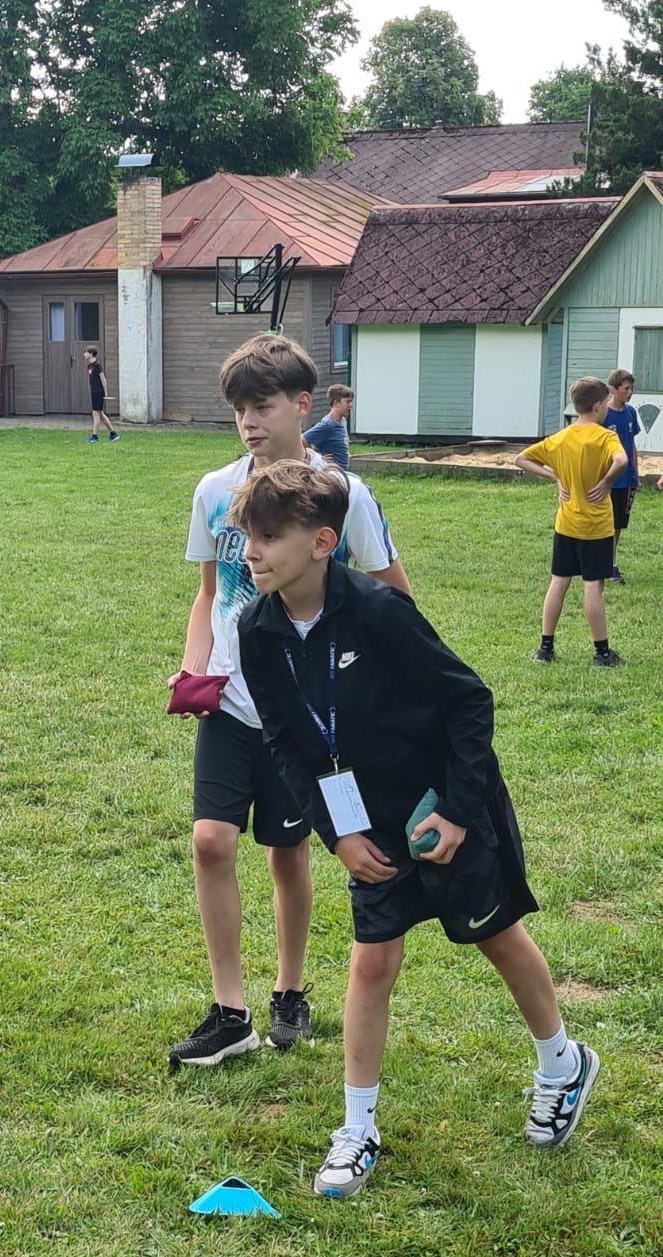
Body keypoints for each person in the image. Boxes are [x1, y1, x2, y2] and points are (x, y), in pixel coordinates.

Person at [234, 459, 599, 1197]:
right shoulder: (256, 628)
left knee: (495, 936)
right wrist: (337, 834)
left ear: (323, 543)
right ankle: (357, 1128)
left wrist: (457, 811)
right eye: (248, 537)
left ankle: (562, 1064)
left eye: (269, 537)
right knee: (371, 961)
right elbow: (285, 741)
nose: (252, 552)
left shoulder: (378, 610)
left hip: (444, 803)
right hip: (364, 820)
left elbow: (469, 702)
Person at [167, 334, 410, 1071]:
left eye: (263, 406)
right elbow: (209, 594)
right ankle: (229, 1011)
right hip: (230, 705)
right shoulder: (215, 491)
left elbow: (394, 596)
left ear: (304, 405)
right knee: (211, 840)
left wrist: (375, 689)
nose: (248, 421)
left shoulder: (344, 494)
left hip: (304, 713)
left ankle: (289, 992)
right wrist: (194, 668)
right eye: (239, 408)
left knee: (286, 851)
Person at [514, 377, 626, 668]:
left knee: (559, 581)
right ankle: (602, 653)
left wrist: (554, 476)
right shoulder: (605, 437)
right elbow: (621, 461)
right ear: (598, 406)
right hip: (596, 526)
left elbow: (521, 459)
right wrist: (607, 481)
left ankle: (545, 648)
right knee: (593, 586)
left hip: (566, 523)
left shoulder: (560, 438)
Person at [603, 368, 640, 585]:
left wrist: (636, 473)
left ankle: (611, 562)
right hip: (608, 479)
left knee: (618, 524)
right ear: (613, 389)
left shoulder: (631, 412)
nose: (630, 392)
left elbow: (631, 444)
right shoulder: (603, 414)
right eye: (626, 388)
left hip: (627, 480)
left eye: (631, 388)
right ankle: (605, 564)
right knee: (605, 522)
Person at [302, 383, 353, 471]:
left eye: (351, 401)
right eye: (348, 402)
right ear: (336, 403)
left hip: (343, 471)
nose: (351, 405)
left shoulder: (343, 421)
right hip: (331, 474)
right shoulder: (327, 425)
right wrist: (317, 457)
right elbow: (302, 440)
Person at [83, 347, 118, 444]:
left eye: (86, 352)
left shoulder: (97, 365)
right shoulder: (89, 365)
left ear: (91, 354)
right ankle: (113, 433)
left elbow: (103, 378)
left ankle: (94, 436)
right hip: (94, 391)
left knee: (96, 413)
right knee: (100, 413)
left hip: (98, 391)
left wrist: (105, 391)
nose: (84, 354)